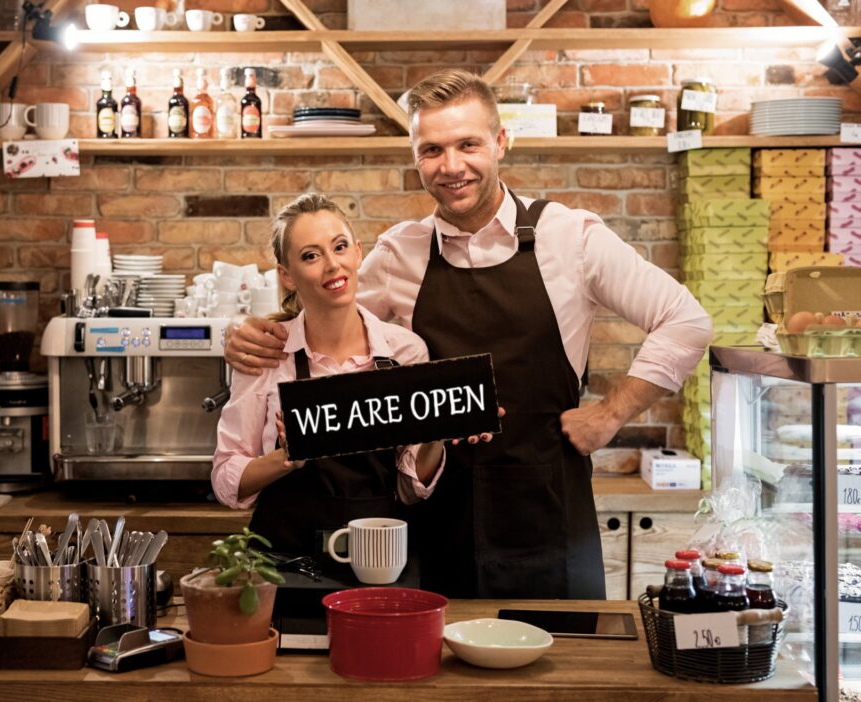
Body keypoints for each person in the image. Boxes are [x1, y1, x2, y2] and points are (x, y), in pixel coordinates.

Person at [223, 70, 713, 598]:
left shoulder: (571, 237)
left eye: (468, 144)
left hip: (548, 516)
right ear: (415, 158)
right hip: (437, 523)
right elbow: (322, 323)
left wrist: (610, 413)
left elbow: (686, 321)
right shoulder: (398, 254)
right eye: (432, 149)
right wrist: (245, 333)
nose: (451, 166)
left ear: (501, 142)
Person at [212, 193, 446, 558]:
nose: (332, 265)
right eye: (310, 255)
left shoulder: (405, 352)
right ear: (287, 276)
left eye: (339, 247)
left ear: (357, 252)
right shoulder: (269, 354)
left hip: (378, 562)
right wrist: (288, 457)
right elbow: (228, 482)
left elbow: (409, 489)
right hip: (284, 567)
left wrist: (436, 437)